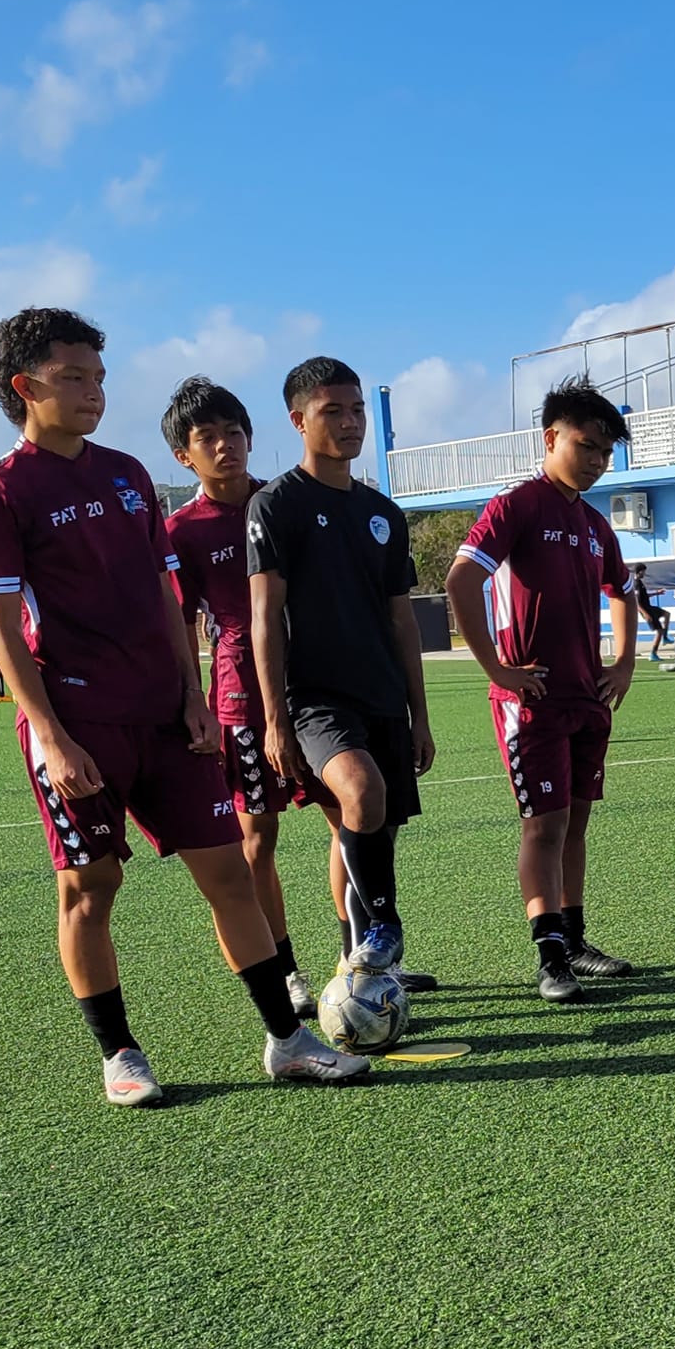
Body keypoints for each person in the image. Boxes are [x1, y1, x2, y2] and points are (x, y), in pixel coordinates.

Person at [0, 307, 368, 1105]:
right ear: (25, 386)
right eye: (74, 378)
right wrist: (50, 734)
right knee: (91, 888)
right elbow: (2, 629)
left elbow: (165, 597)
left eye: (100, 377)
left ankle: (287, 1042)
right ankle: (120, 1054)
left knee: (230, 875)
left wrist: (192, 696)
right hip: (78, 725)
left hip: (167, 719)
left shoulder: (127, 474)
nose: (94, 393)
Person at [444, 379, 638, 1003]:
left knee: (576, 824)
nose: (597, 460)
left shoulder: (594, 525)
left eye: (607, 451)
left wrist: (626, 662)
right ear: (551, 438)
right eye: (586, 445)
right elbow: (460, 581)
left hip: (588, 698)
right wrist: (498, 670)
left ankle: (576, 941)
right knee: (544, 826)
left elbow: (624, 593)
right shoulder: (518, 505)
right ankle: (549, 954)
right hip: (532, 702)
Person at [248, 358, 435, 976]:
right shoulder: (275, 505)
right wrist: (275, 720)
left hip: (382, 693)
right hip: (315, 698)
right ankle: (383, 925)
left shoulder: (383, 512)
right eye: (334, 411)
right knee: (360, 793)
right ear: (299, 420)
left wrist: (420, 716)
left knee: (367, 830)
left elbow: (402, 621)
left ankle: (359, 958)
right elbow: (265, 617)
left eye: (357, 410)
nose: (352, 422)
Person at [161, 376, 321, 1021]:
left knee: (354, 815)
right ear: (185, 456)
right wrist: (189, 701)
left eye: (235, 432)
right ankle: (283, 970)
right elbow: (176, 625)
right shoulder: (181, 531)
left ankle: (362, 954)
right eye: (208, 438)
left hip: (317, 685)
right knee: (257, 838)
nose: (226, 446)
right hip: (241, 700)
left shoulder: (287, 501)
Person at [625, 565, 670, 660]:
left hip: (649, 608)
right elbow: (636, 602)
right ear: (640, 572)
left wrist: (657, 593)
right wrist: (645, 613)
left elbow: (644, 596)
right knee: (659, 631)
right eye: (644, 572)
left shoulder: (640, 583)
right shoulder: (636, 584)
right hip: (646, 610)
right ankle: (653, 653)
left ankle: (665, 637)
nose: (645, 574)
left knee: (666, 614)